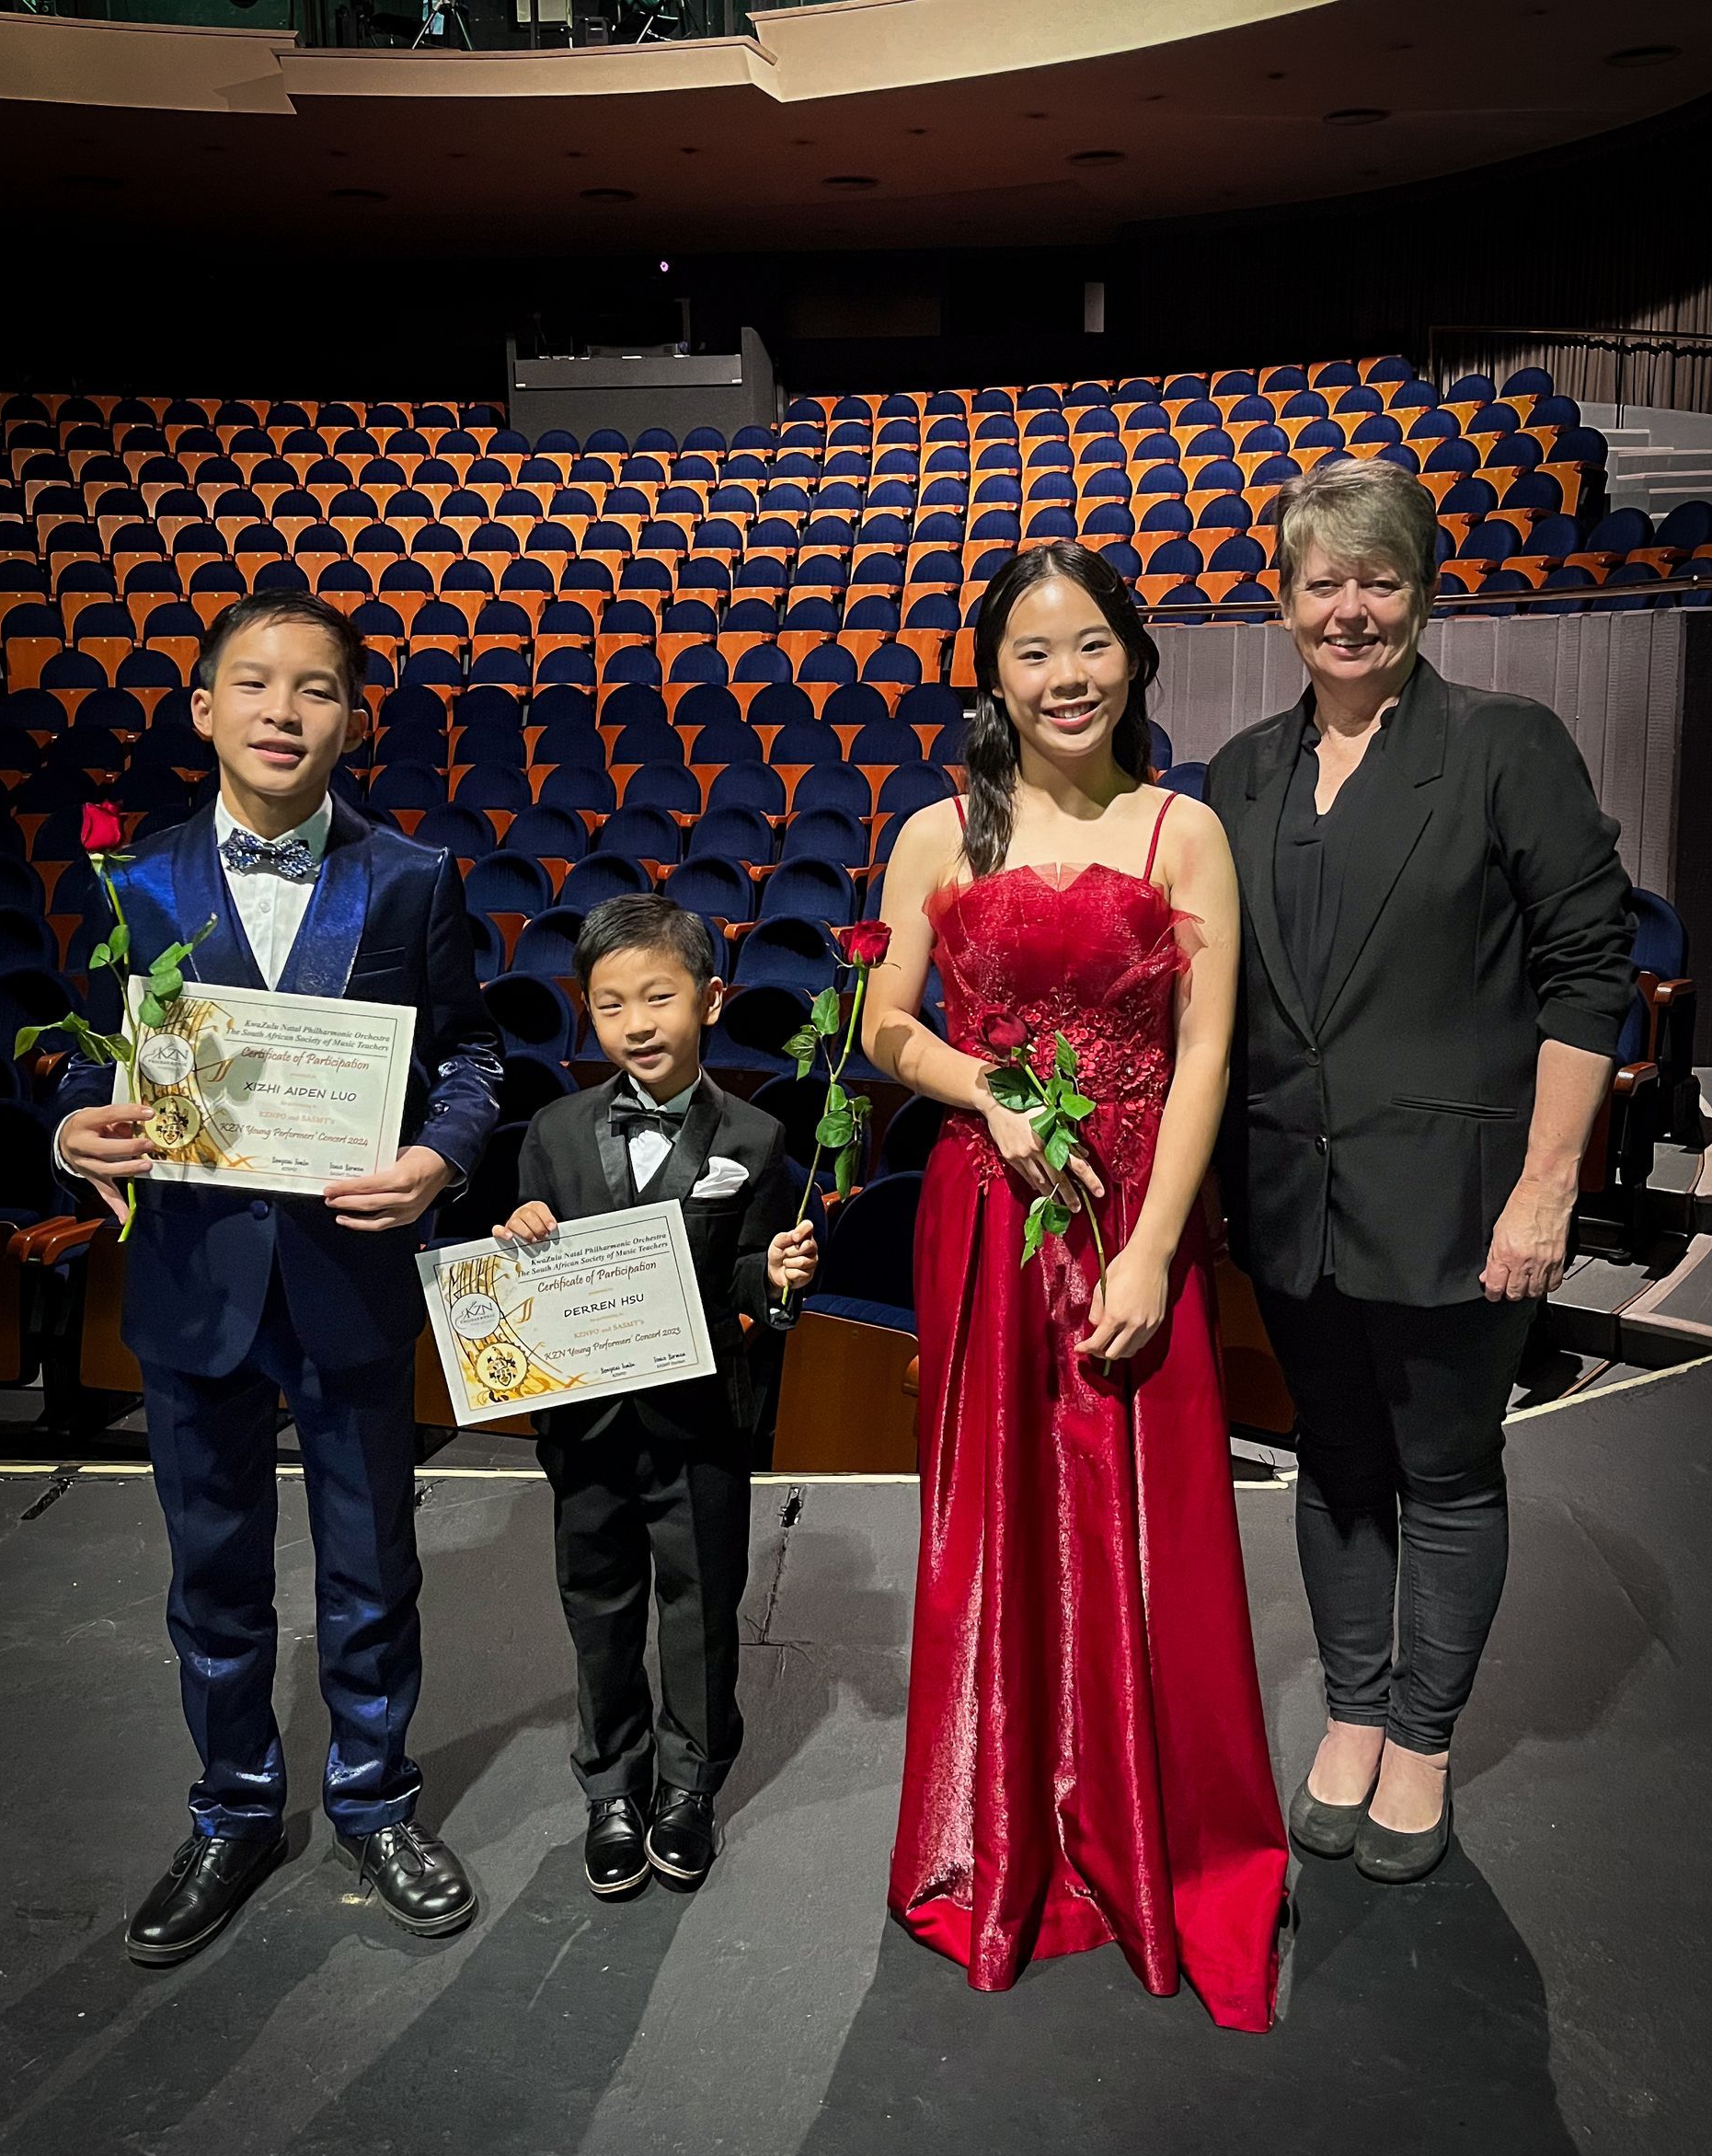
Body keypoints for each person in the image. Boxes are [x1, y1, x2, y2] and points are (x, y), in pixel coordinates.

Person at [863, 542, 1287, 2033]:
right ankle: (1004, 1838)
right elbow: (885, 1030)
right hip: (985, 1220)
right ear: (992, 675)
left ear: (1135, 659)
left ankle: (1157, 1841)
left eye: (1092, 645)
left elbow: (1205, 1060)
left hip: (1131, 1216)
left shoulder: (1184, 831)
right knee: (991, 1532)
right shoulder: (934, 838)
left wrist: (1158, 1251)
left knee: (1148, 1530)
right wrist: (991, 1093)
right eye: (1035, 652)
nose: (1066, 677)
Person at [52, 591, 501, 1964]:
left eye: (315, 690)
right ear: (205, 709)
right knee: (213, 1581)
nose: (283, 711)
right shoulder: (132, 882)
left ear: (355, 721)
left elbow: (471, 1060)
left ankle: (375, 1796)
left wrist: (436, 1163)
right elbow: (91, 1068)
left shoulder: (413, 878)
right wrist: (72, 1130)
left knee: (374, 1566)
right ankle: (234, 1810)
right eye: (254, 684)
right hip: (194, 1292)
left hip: (351, 1279)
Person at [1206, 458, 1633, 1882]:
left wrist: (1549, 1185)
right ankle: (1352, 1708)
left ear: (1424, 589)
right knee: (1333, 1466)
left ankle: (1424, 1735)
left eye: (1378, 577)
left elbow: (1587, 977)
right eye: (1321, 581)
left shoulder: (1508, 744)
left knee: (1446, 1473)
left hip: (1461, 1201)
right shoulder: (1244, 773)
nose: (1350, 607)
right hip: (1293, 1202)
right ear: (1282, 601)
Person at [494, 895, 817, 1900]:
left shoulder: (757, 1140)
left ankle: (689, 1786)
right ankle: (614, 1788)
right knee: (597, 1606)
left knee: (701, 1609)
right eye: (610, 1005)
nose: (637, 1023)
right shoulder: (549, 1130)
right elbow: (527, 1268)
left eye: (660, 997)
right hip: (586, 1427)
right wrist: (522, 1231)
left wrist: (778, 1277)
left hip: (700, 1427)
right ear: (586, 1014)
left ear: (710, 1000)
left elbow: (747, 1299)